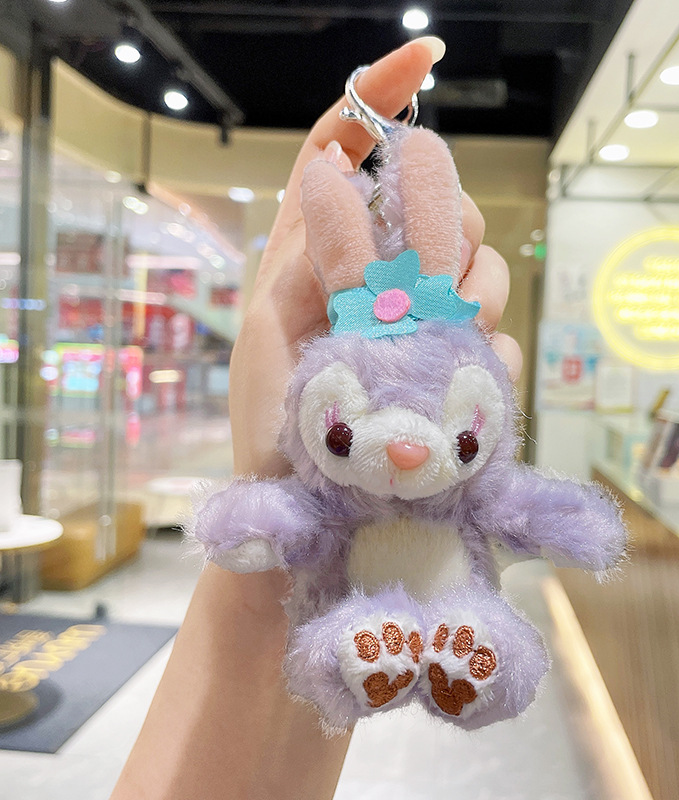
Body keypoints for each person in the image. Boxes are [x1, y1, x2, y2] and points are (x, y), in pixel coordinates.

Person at [110, 36, 520, 800]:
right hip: (345, 601)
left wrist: (501, 488)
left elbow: (552, 516)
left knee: (477, 619)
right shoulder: (314, 438)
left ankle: (470, 648)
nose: (404, 450)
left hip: (440, 576)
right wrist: (267, 510)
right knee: (349, 636)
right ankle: (372, 647)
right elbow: (266, 523)